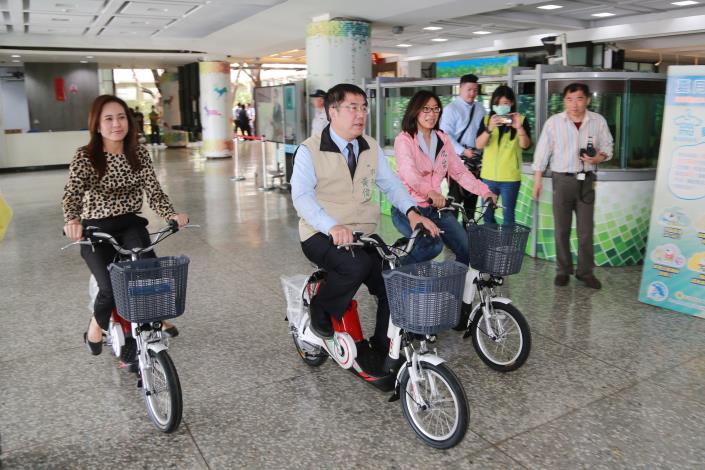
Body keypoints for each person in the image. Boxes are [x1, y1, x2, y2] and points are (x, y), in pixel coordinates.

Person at [291, 83, 440, 372]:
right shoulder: (309, 150)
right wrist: (331, 226)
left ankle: (383, 346)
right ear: (332, 111)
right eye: (352, 107)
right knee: (355, 265)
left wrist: (412, 213)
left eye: (363, 108)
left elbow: (391, 184)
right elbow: (302, 197)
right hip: (319, 232)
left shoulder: (369, 146)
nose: (361, 114)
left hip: (362, 234)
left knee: (391, 279)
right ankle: (320, 308)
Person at [62, 95, 188, 356]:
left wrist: (172, 214)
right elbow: (72, 194)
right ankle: (96, 324)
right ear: (97, 125)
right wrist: (72, 220)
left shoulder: (138, 153)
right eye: (108, 119)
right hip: (95, 229)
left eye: (121, 117)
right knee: (108, 287)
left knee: (149, 273)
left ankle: (155, 317)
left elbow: (154, 192)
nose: (116, 124)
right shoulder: (86, 156)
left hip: (130, 224)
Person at [392, 90, 496, 267]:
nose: (431, 114)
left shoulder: (442, 139)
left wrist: (484, 191)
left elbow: (460, 172)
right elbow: (410, 175)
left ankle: (458, 289)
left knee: (466, 247)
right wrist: (430, 191)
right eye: (426, 109)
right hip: (408, 208)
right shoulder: (404, 139)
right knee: (433, 246)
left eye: (435, 109)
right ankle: (395, 270)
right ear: (415, 110)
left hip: (436, 207)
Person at [532, 82, 613, 289]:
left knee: (586, 231)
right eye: (569, 99)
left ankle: (585, 272)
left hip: (586, 180)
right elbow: (542, 153)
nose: (574, 104)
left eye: (579, 99)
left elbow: (608, 147)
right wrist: (538, 181)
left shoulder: (597, 121)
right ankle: (563, 270)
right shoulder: (554, 122)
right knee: (562, 229)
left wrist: (598, 158)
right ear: (564, 101)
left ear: (587, 99)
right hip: (562, 179)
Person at [474, 85, 532, 225]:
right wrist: (489, 129)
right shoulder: (487, 120)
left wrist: (519, 128)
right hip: (488, 177)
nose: (501, 106)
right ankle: (492, 245)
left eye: (505, 103)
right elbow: (479, 145)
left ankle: (507, 247)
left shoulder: (521, 120)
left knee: (508, 214)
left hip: (510, 178)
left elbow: (526, 145)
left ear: (511, 103)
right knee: (487, 214)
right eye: (497, 103)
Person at [439, 73, 485, 218]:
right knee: (455, 200)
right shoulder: (451, 109)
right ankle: (451, 236)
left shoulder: (480, 108)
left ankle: (468, 237)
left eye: (475, 90)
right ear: (460, 89)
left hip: (475, 160)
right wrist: (463, 151)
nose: (472, 93)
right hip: (456, 159)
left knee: (472, 201)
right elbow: (445, 135)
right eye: (469, 89)